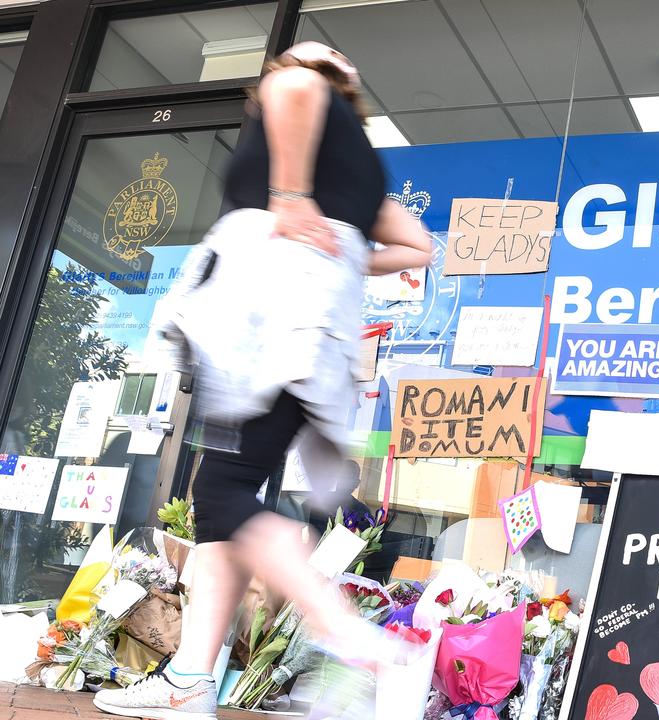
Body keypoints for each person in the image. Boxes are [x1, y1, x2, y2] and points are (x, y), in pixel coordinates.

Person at [94, 42, 431, 719]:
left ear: (332, 74)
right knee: (226, 507)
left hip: (265, 338)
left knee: (219, 491)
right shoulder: (359, 164)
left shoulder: (303, 91)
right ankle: (190, 678)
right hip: (307, 345)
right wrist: (336, 244)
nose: (296, 62)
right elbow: (418, 246)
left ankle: (339, 628)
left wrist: (289, 199)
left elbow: (292, 90)